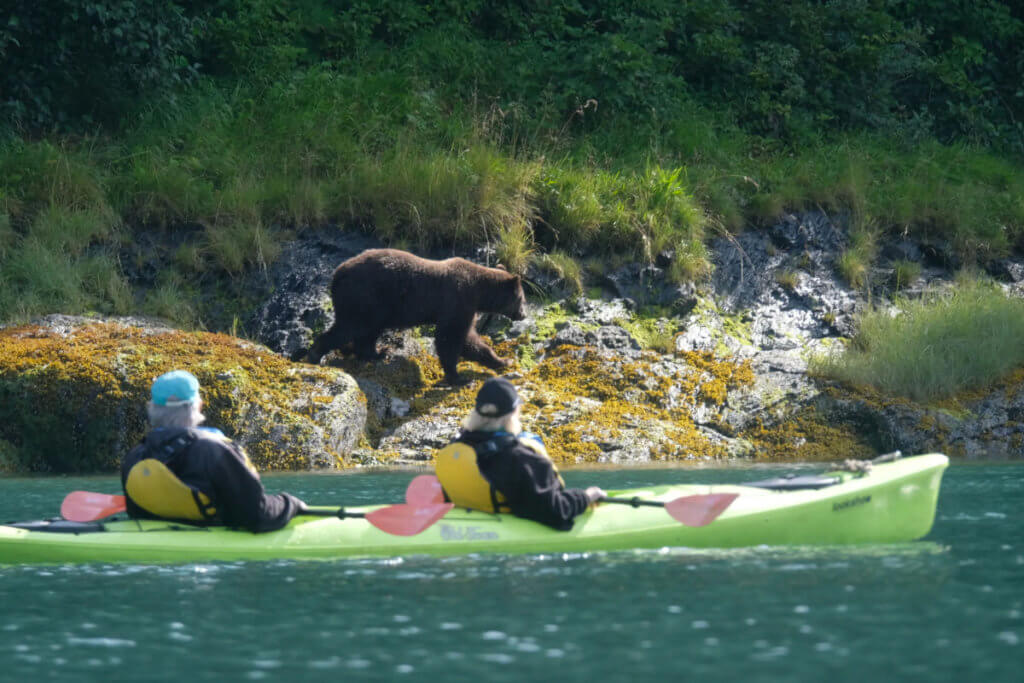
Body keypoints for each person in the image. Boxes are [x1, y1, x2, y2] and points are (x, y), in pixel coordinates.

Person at [120, 370, 307, 533]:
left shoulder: (136, 455)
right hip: (212, 538)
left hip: (153, 536)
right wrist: (290, 503)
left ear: (152, 409)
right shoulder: (214, 451)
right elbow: (258, 515)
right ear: (198, 406)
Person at [435, 377, 605, 530]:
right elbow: (555, 511)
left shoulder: (456, 447)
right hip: (513, 533)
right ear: (514, 412)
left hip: (464, 524)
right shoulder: (520, 457)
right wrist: (586, 496)